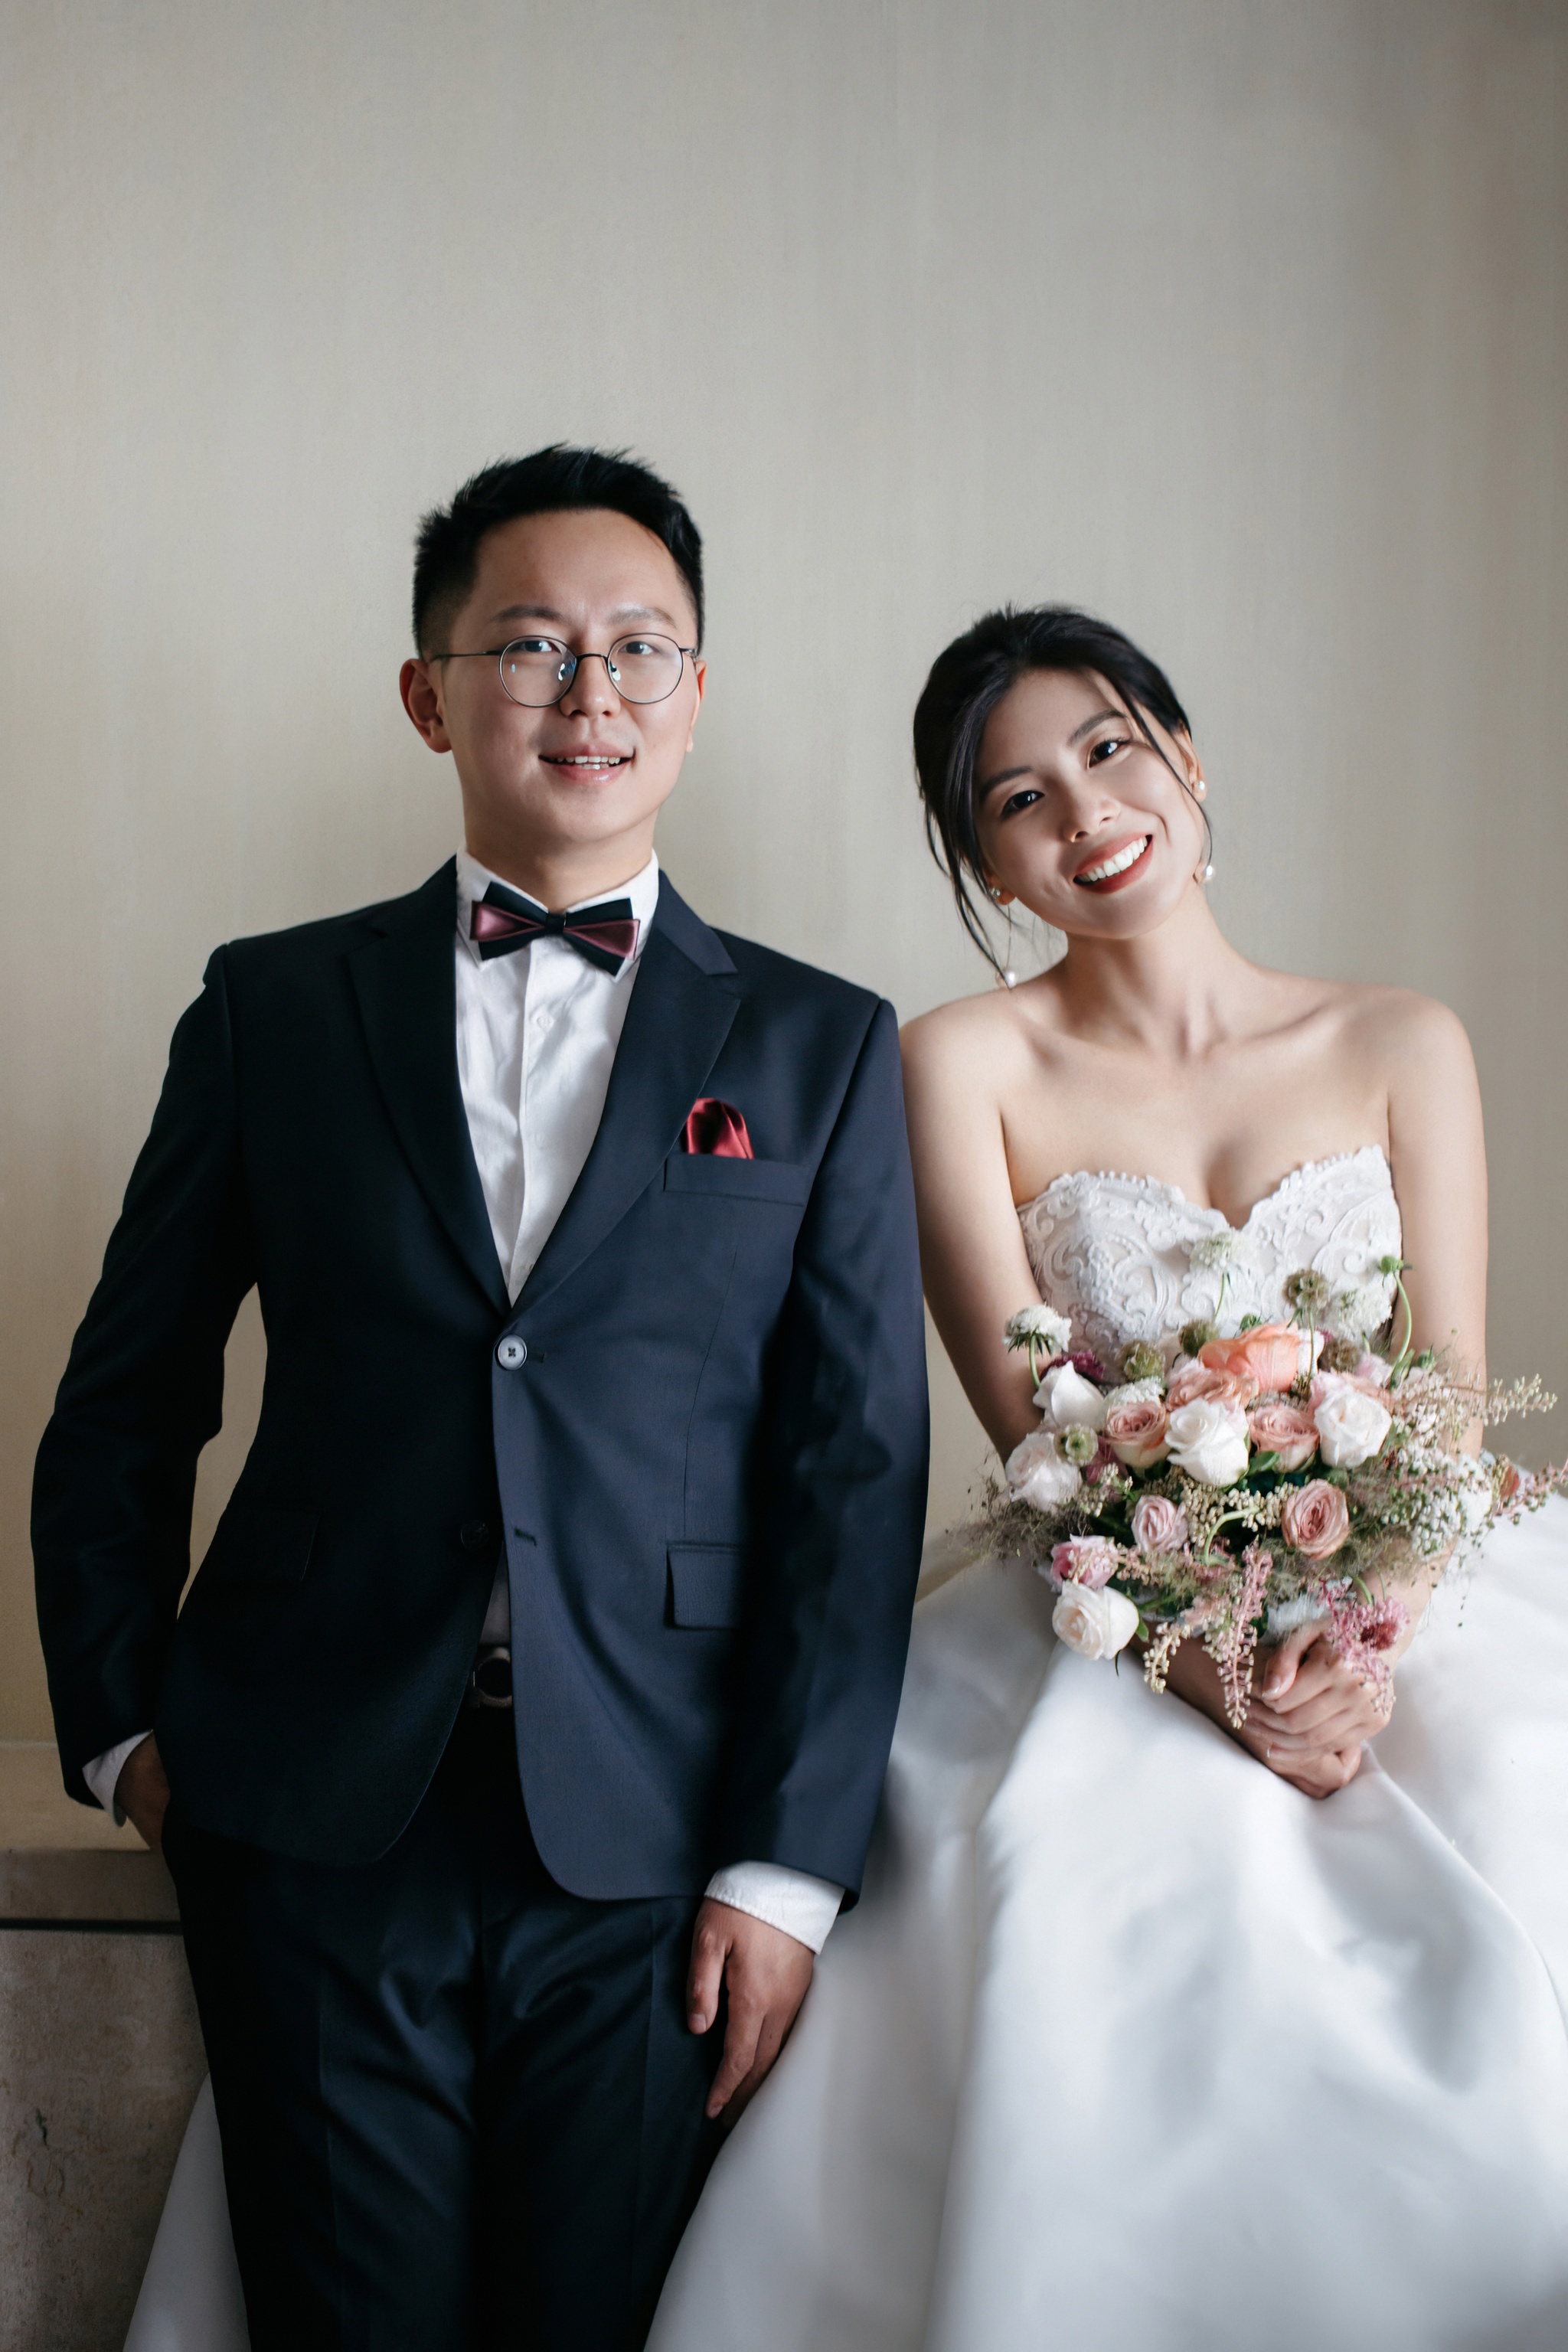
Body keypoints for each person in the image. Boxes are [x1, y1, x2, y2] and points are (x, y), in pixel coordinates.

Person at [31, 446, 929, 2350]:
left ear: (696, 693)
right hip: (305, 1809)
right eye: (529, 646)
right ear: (431, 694)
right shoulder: (271, 1008)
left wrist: (785, 1868)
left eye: (638, 648)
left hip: (659, 1836)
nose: (588, 692)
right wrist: (119, 1730)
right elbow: (128, 1395)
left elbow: (851, 1479)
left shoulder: (823, 1043)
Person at [648, 606, 1568, 2351]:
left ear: (1187, 760)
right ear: (987, 865)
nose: (1082, 814)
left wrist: (1353, 1644)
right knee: (1083, 1887)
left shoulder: (1402, 1037)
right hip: (1109, 1599)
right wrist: (1220, 1673)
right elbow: (1032, 1433)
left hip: (1404, 1579)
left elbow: (1447, 1394)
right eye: (1016, 801)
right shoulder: (955, 1065)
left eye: (1108, 751)